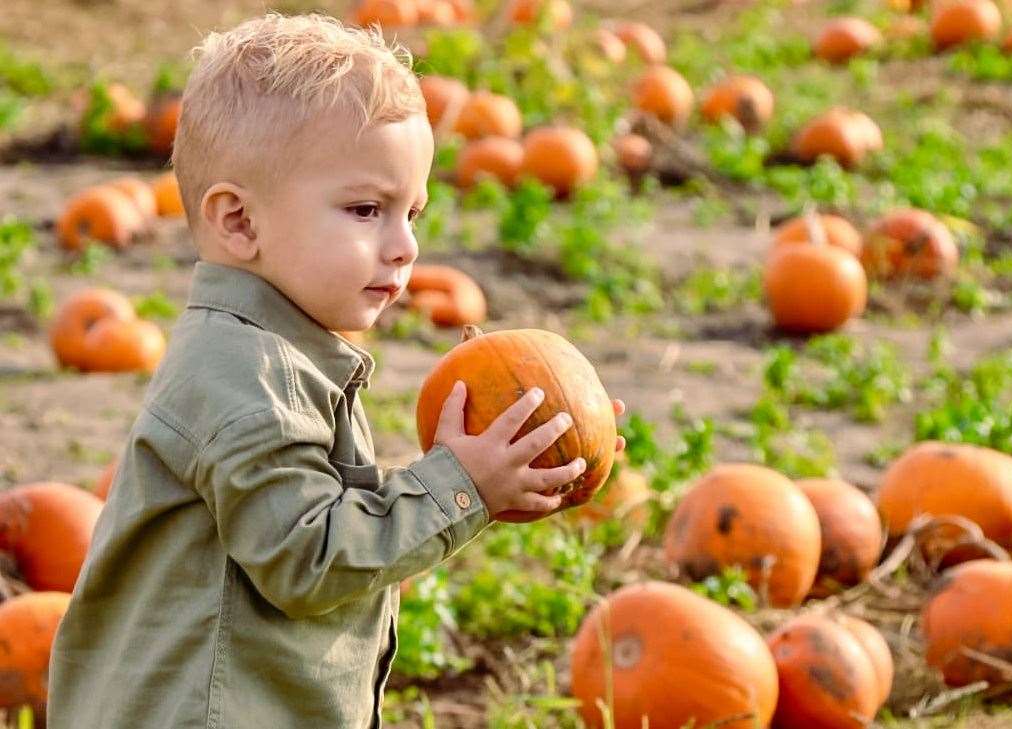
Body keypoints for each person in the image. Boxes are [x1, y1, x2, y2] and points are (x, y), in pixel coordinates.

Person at [46, 14, 624, 729]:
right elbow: (309, 557)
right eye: (366, 209)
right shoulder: (249, 376)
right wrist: (456, 484)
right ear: (239, 223)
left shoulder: (272, 352)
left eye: (412, 211)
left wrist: (509, 461)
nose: (405, 245)